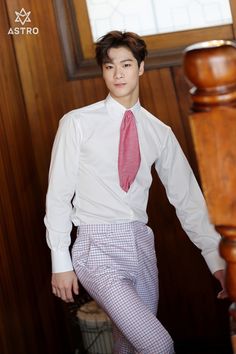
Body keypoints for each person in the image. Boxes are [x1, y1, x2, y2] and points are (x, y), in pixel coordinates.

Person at [44, 31, 226, 353]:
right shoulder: (77, 123)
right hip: (96, 248)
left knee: (127, 347)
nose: (117, 74)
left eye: (126, 64)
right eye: (109, 66)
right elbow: (58, 194)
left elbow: (188, 202)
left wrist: (217, 261)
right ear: (102, 70)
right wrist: (61, 260)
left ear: (140, 67)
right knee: (157, 344)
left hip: (142, 247)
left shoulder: (160, 132)